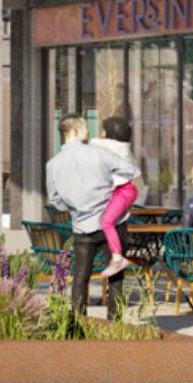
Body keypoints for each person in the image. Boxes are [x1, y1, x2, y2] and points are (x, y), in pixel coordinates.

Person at [46, 116, 137, 316]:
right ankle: (115, 324)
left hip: (82, 225)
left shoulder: (52, 165)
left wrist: (75, 208)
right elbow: (131, 171)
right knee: (116, 276)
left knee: (80, 276)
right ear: (76, 132)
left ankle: (78, 322)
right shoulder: (99, 153)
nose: (89, 132)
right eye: (86, 128)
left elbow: (55, 200)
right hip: (113, 221)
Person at [93, 117, 140, 280]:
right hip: (125, 190)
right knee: (110, 220)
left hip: (124, 191)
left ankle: (117, 258)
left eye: (102, 130)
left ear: (107, 133)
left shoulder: (106, 145)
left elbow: (91, 144)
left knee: (106, 222)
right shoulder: (124, 147)